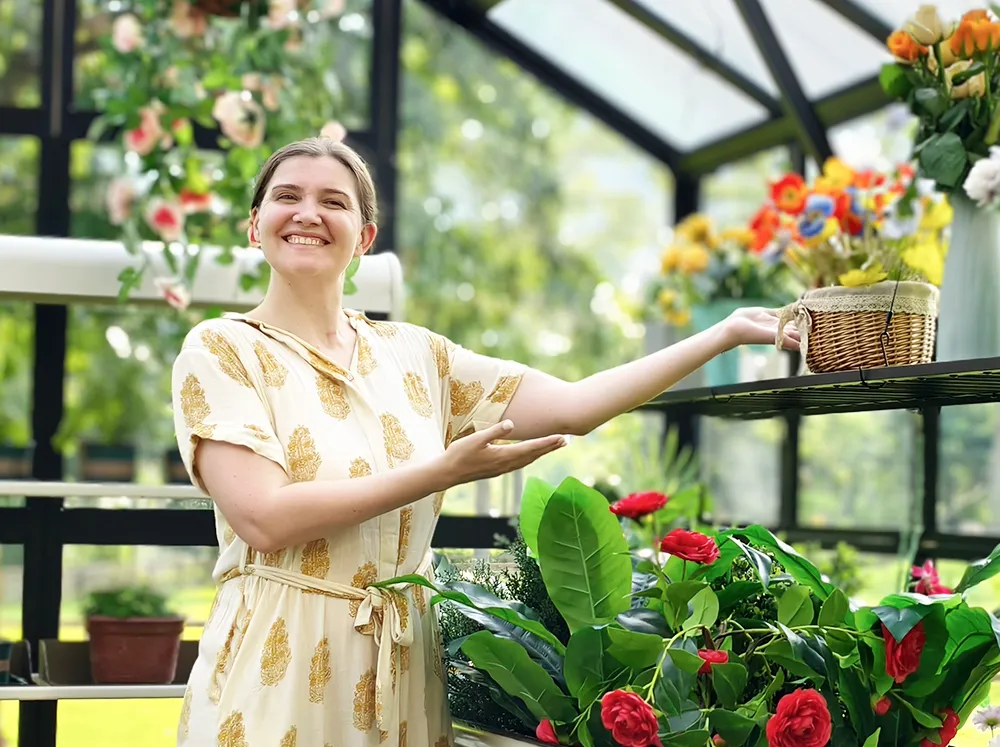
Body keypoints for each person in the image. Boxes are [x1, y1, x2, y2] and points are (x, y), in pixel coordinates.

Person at [169, 136, 798, 747]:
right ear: (255, 226)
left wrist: (723, 334)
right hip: (278, 657)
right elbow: (263, 517)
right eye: (288, 197)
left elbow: (574, 407)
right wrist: (441, 472)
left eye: (334, 201)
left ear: (364, 237)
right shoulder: (223, 348)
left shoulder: (417, 356)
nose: (308, 213)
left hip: (403, 662)